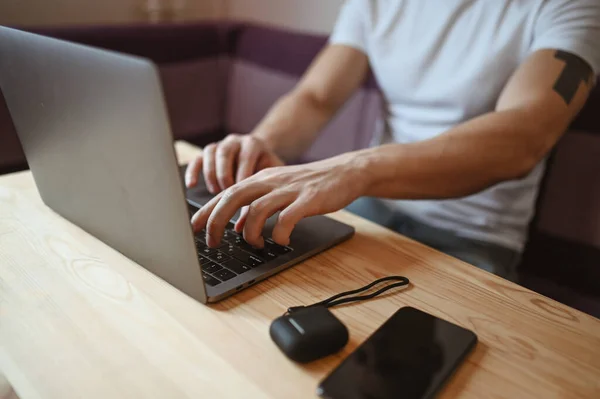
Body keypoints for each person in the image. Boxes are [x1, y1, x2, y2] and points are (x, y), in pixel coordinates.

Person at [185, 0, 599, 280]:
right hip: (371, 210)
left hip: (471, 237)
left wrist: (354, 169)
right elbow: (315, 97)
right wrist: (259, 142)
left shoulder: (569, 7)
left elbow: (524, 138)